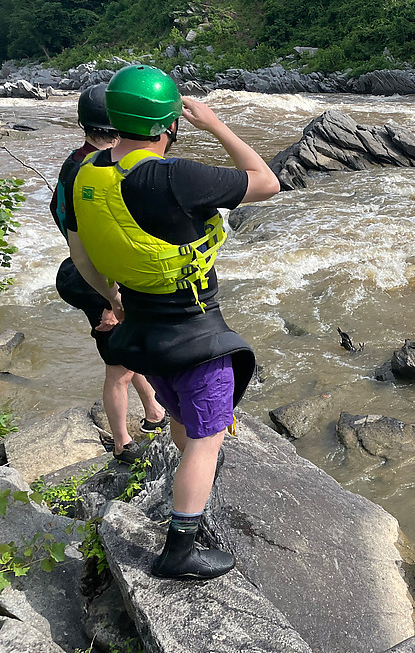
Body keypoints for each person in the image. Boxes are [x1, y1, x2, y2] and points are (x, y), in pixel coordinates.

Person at [65, 65, 280, 579]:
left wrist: (110, 300)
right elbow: (267, 182)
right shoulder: (175, 175)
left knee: (183, 421)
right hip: (195, 334)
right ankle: (180, 546)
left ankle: (188, 496)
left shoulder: (86, 172)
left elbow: (80, 251)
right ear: (171, 123)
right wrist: (218, 125)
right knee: (207, 439)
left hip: (142, 331)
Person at [51, 83, 168, 465]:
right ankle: (122, 443)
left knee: (127, 351)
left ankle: (153, 412)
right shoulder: (106, 171)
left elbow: (66, 224)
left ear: (83, 123)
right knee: (118, 368)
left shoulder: (74, 164)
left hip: (80, 272)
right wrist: (109, 299)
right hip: (100, 282)